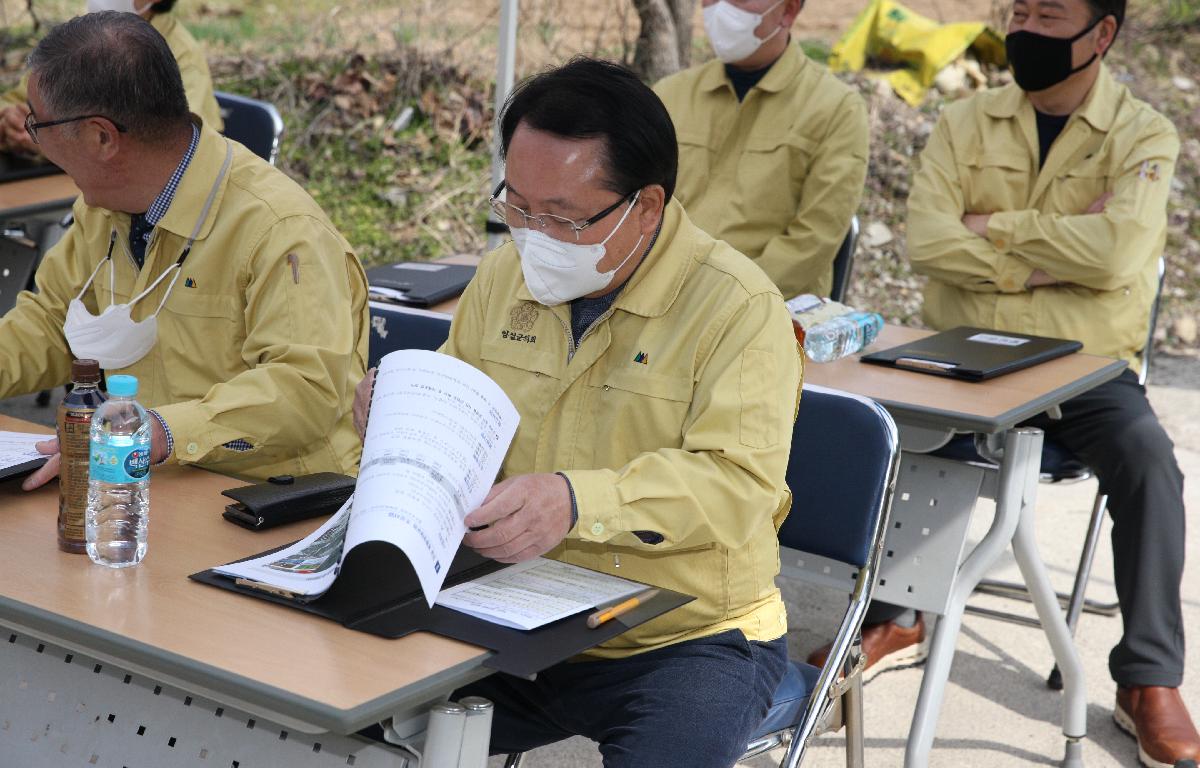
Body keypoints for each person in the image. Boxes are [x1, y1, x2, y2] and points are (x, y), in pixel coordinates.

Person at [353, 57, 802, 767]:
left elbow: (736, 486)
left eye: (561, 217)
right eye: (517, 207)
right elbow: (465, 422)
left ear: (645, 207)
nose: (533, 235)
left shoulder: (737, 308)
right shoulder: (507, 274)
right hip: (511, 606)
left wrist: (573, 500)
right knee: (333, 717)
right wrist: (402, 419)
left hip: (681, 635)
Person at [809, 1, 1195, 765]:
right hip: (960, 354)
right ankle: (896, 615)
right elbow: (927, 239)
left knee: (1149, 461)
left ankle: (1148, 678)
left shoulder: (1143, 133)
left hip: (1081, 366)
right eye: (1020, 11)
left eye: (1048, 15)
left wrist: (993, 227)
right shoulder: (967, 119)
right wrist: (1053, 253)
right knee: (885, 434)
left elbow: (1119, 256)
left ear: (1102, 35)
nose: (1026, 30)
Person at [0, 12, 368, 485]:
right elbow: (53, 320)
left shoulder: (281, 230)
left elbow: (304, 390)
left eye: (38, 124)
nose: (31, 136)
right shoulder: (106, 206)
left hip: (272, 499)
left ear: (100, 136)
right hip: (151, 481)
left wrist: (159, 431)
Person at [653, 0, 869, 299]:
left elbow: (813, 240)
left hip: (770, 314)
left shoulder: (836, 109)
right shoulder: (669, 95)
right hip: (659, 298)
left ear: (788, 11)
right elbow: (633, 208)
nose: (720, 9)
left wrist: (725, 297)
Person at [0, 0, 222, 156]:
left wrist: (51, 143)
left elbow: (174, 147)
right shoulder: (80, 40)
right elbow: (19, 97)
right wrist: (9, 120)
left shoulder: (180, 55)